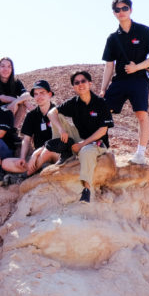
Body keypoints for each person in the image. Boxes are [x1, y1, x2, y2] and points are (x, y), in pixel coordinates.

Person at [100, 0, 149, 165]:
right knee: (103, 111)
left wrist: (137, 67)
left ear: (131, 10)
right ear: (114, 13)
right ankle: (101, 147)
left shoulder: (144, 31)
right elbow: (109, 65)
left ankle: (140, 153)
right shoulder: (112, 38)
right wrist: (103, 87)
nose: (121, 12)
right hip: (120, 80)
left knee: (141, 114)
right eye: (117, 9)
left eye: (124, 8)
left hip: (139, 79)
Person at [48, 70, 114, 204]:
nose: (80, 84)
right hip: (79, 138)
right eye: (76, 83)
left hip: (97, 143)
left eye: (83, 81)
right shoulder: (74, 102)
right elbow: (51, 112)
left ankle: (86, 189)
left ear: (90, 83)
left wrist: (82, 145)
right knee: (57, 115)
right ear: (73, 87)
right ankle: (66, 151)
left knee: (85, 151)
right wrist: (61, 130)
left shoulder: (101, 103)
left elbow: (102, 130)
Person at [20, 80, 59, 175]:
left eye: (42, 93)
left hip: (56, 152)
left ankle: (28, 174)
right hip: (38, 155)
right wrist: (22, 158)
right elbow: (26, 139)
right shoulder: (31, 116)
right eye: (36, 94)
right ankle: (39, 166)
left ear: (49, 94)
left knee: (47, 152)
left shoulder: (58, 112)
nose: (39, 96)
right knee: (6, 163)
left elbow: (61, 139)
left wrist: (37, 152)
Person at [0, 57, 29, 128]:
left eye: (9, 66)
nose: (6, 69)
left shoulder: (16, 82)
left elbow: (27, 94)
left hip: (12, 110)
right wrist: (19, 101)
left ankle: (13, 131)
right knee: (15, 105)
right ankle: (5, 130)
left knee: (22, 106)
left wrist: (19, 101)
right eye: (3, 66)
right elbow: (2, 98)